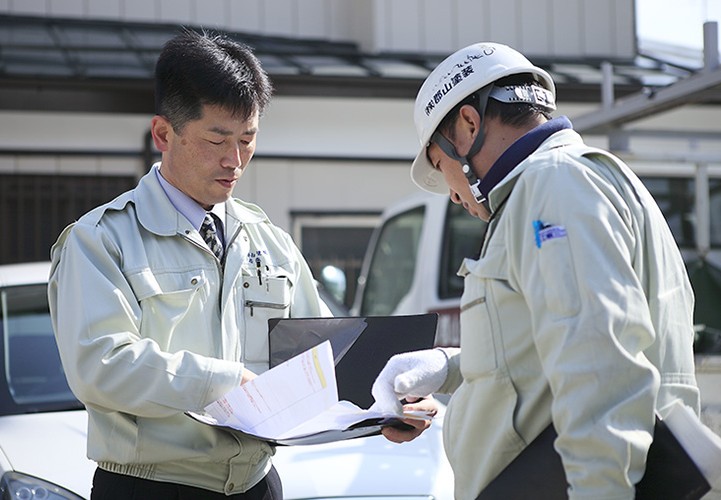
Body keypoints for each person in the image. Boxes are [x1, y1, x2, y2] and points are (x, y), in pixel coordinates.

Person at [370, 42, 700, 500]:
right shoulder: (568, 181)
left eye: (441, 165)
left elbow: (599, 372)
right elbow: (554, 346)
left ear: (468, 124)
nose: (450, 191)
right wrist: (451, 366)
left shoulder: (554, 185)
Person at [48, 30, 331, 500]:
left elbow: (319, 352)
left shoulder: (270, 242)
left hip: (258, 485)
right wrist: (224, 383)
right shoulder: (102, 240)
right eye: (217, 139)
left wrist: (382, 405)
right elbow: (102, 365)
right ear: (164, 133)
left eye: (248, 139)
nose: (235, 160)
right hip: (151, 487)